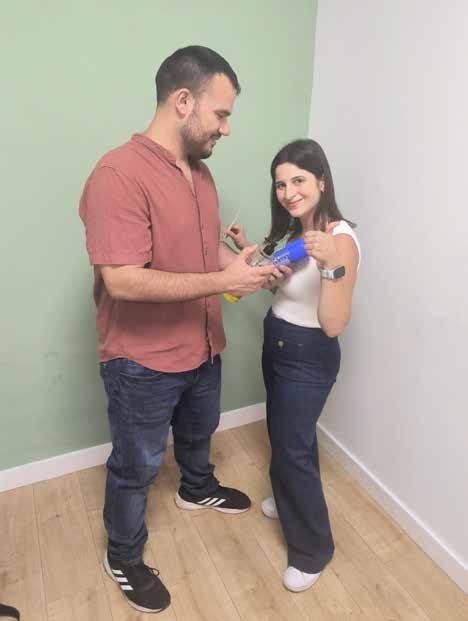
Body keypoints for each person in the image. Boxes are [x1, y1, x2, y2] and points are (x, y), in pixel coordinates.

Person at [79, 45, 276, 614]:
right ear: (183, 101)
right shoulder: (117, 174)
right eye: (222, 113)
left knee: (198, 432)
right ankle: (123, 554)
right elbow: (122, 280)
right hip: (141, 361)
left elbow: (202, 253)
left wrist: (245, 269)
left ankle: (197, 488)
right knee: (136, 465)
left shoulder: (201, 174)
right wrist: (223, 280)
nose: (227, 128)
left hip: (203, 346)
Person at [226, 138, 361, 592]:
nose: (288, 192)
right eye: (280, 184)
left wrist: (330, 265)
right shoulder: (294, 235)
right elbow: (279, 289)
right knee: (286, 439)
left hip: (308, 354)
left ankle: (312, 551)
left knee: (292, 449)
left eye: (298, 180)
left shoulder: (340, 240)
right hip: (278, 343)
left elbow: (333, 324)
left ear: (321, 181)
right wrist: (250, 252)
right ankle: (287, 500)